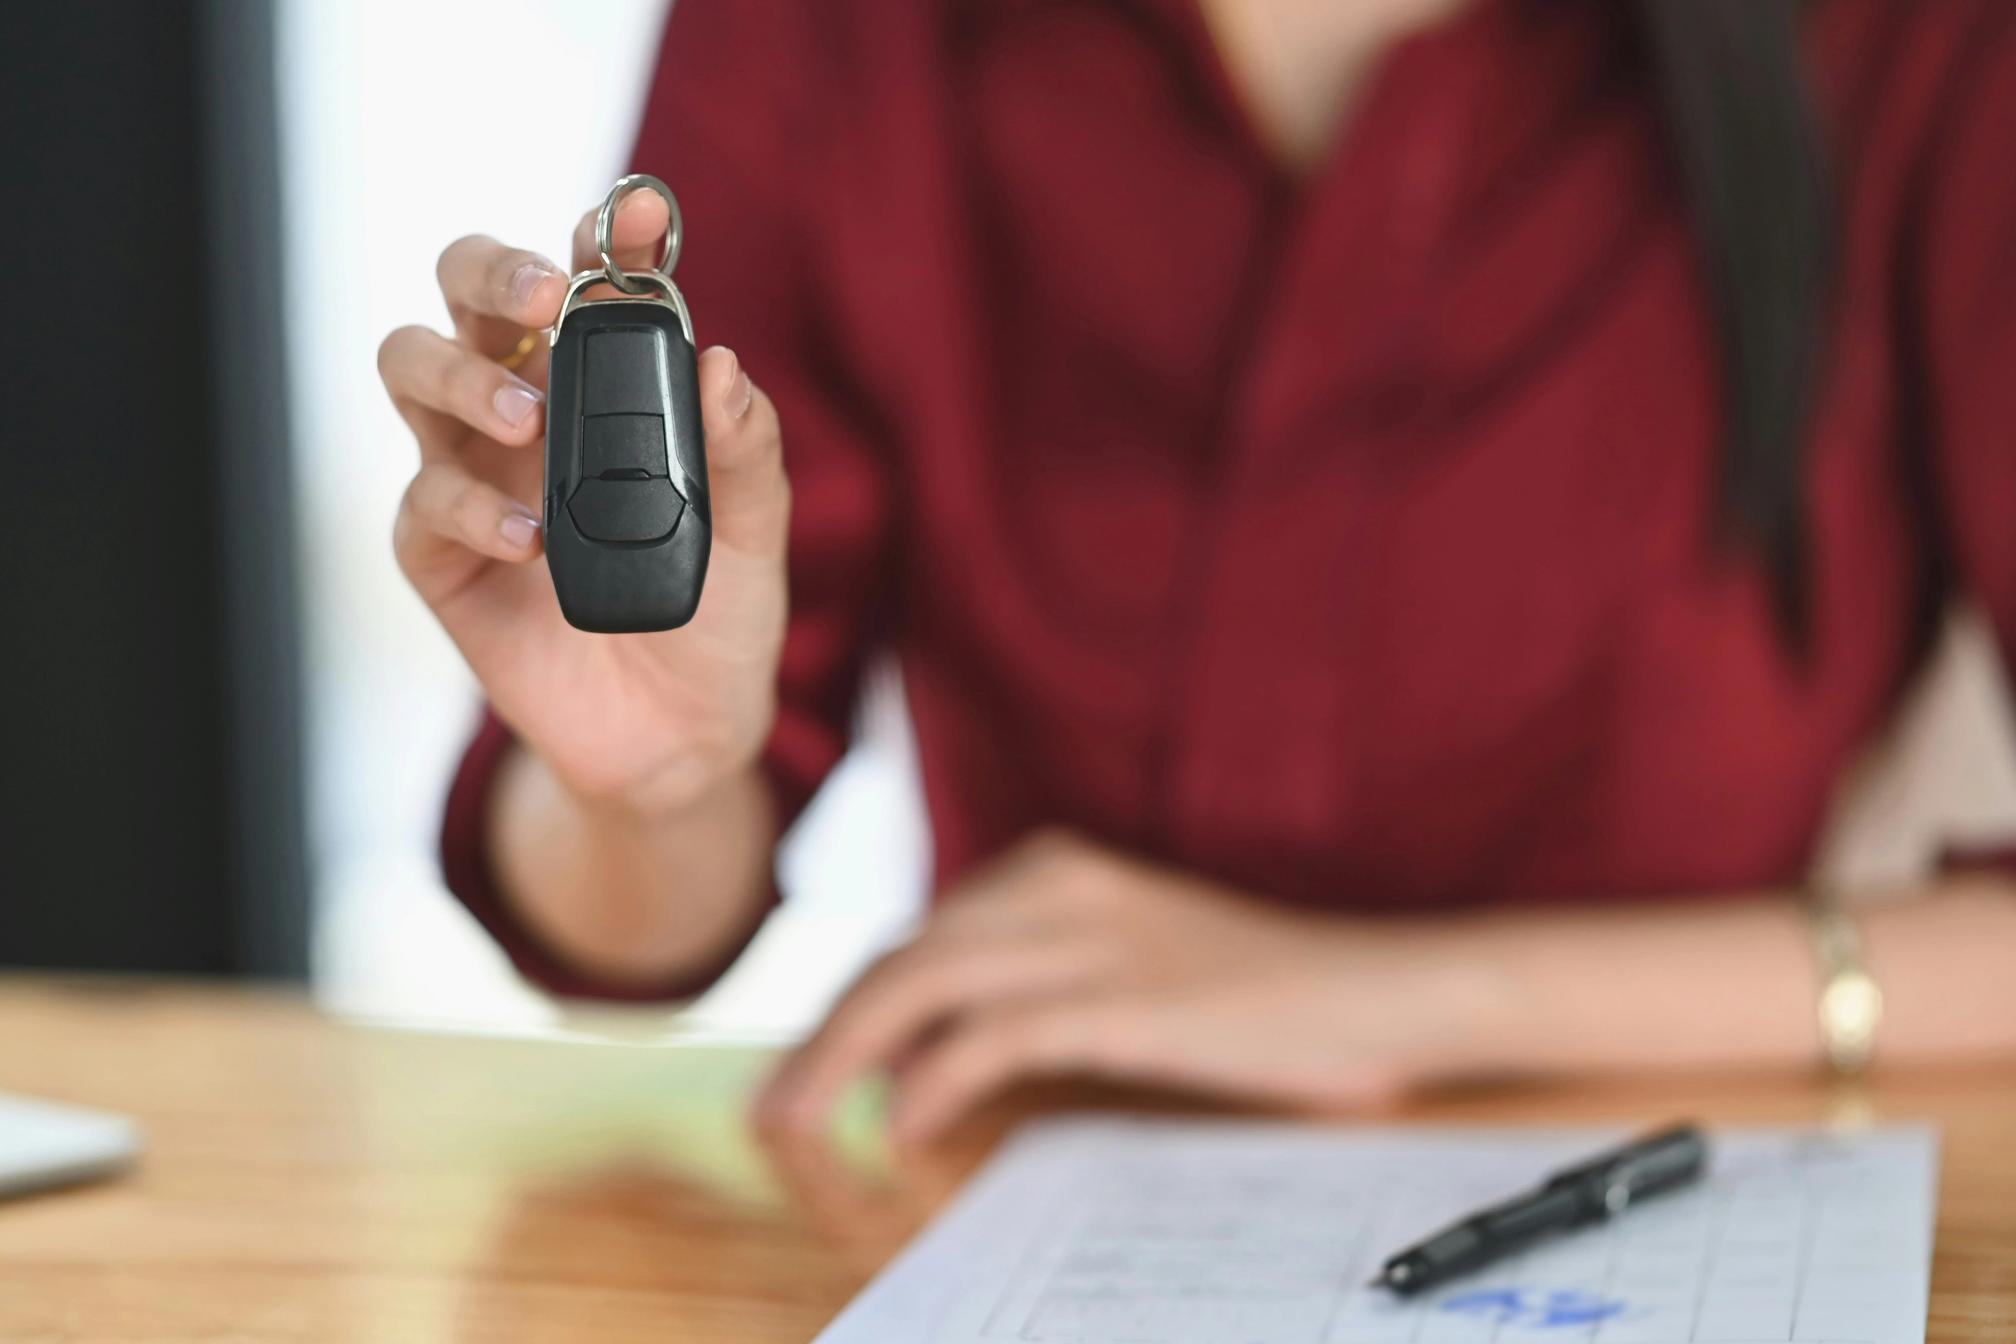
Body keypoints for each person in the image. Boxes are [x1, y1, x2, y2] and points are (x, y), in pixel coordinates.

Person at [377, 0, 2016, 1143]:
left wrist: (1416, 1001)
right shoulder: (837, 31)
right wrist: (648, 789)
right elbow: (638, 921)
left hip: (1697, 1210)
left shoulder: (1921, 47)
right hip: (1018, 1216)